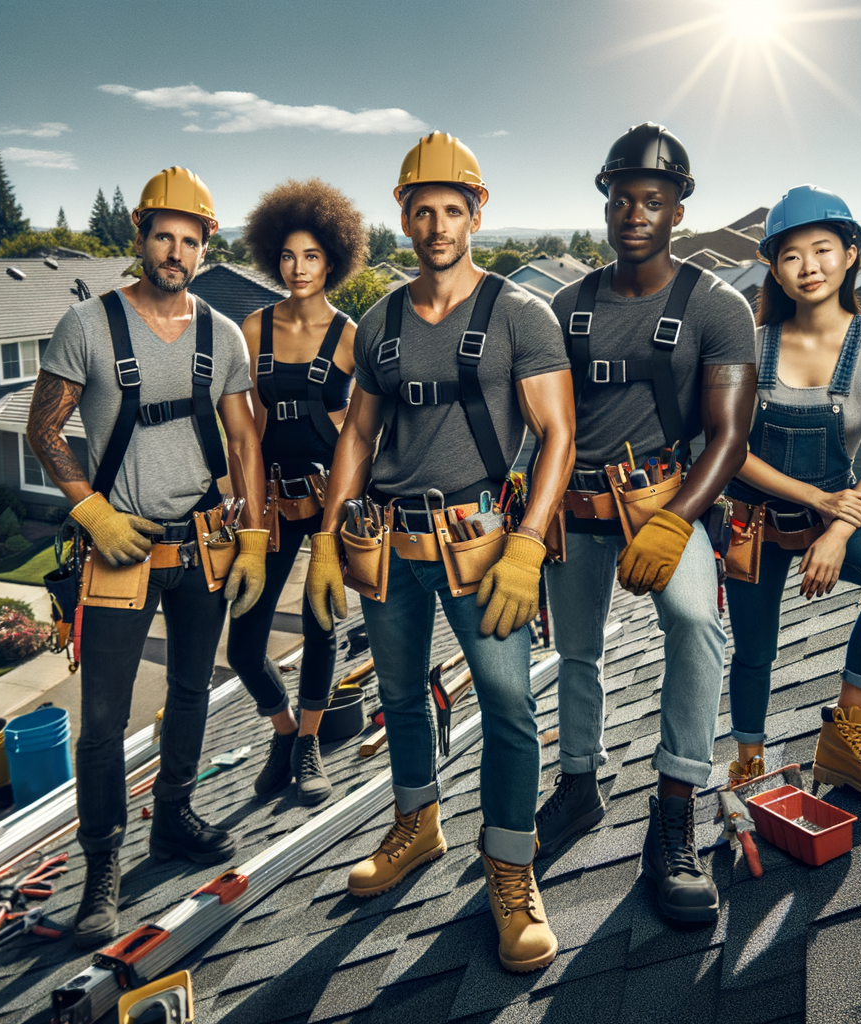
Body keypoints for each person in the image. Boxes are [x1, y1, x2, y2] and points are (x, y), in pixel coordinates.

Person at [306, 132, 575, 972]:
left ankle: (510, 868)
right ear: (404, 218)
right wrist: (327, 538)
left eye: (451, 210)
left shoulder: (519, 314)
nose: (436, 225)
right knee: (398, 693)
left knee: (508, 704)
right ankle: (417, 823)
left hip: (481, 544)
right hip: (388, 543)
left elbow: (558, 435)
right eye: (421, 211)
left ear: (475, 216)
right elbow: (358, 434)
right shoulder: (380, 322)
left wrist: (527, 544)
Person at [26, 166, 268, 948]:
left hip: (200, 544)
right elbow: (43, 430)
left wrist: (254, 534)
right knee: (102, 719)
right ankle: (102, 865)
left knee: (194, 688)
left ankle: (174, 818)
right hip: (118, 547)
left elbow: (244, 440)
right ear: (141, 237)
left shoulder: (221, 334)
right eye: (163, 236)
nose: (175, 252)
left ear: (205, 248)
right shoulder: (88, 326)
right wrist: (91, 512)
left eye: (189, 241)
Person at [541, 124, 757, 926]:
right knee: (575, 651)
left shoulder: (716, 306)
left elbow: (729, 436)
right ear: (606, 204)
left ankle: (674, 815)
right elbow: (545, 426)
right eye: (623, 198)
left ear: (678, 210)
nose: (635, 213)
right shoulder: (567, 307)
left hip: (669, 501)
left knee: (698, 625)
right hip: (576, 509)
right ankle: (578, 783)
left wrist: (673, 522)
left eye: (653, 200)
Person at [724, 185, 861, 803]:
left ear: (851, 254)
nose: (808, 266)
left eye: (822, 249)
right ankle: (749, 764)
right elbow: (732, 452)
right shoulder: (750, 342)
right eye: (790, 255)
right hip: (752, 520)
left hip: (839, 510)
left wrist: (837, 531)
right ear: (774, 269)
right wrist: (817, 498)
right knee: (754, 648)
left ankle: (847, 735)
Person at [226, 179, 365, 806]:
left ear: (332, 260)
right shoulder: (253, 327)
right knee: (244, 644)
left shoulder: (350, 335)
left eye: (311, 256)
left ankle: (309, 744)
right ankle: (283, 733)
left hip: (329, 500)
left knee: (320, 622)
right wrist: (247, 515)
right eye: (287, 256)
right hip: (273, 504)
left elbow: (363, 431)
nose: (298, 268)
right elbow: (249, 430)